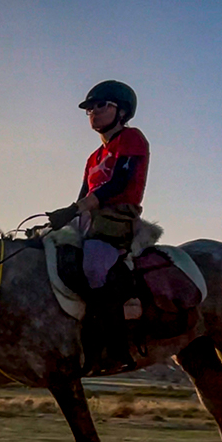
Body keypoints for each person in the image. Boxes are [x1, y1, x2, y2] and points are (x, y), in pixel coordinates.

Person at [47, 80, 150, 370]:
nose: (93, 112)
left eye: (101, 105)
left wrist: (77, 209)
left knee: (94, 265)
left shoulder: (132, 138)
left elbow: (120, 182)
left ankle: (116, 349)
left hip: (118, 215)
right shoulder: (93, 157)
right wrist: (64, 217)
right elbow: (82, 195)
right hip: (90, 215)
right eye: (89, 108)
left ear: (122, 111)